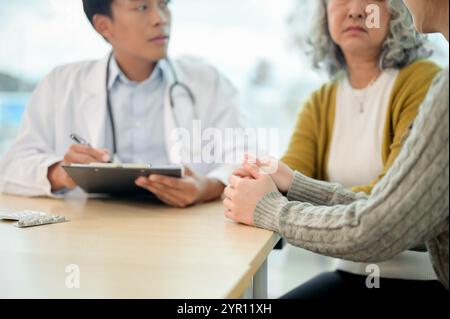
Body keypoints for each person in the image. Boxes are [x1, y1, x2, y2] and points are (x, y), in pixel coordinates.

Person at [223, 0, 449, 297]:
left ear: (395, 11)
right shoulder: (322, 99)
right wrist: (283, 183)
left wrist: (270, 206)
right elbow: (381, 208)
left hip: (417, 280)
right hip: (350, 270)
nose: (356, 10)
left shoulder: (428, 83)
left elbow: (385, 217)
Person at [0, 0, 243, 208]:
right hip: (93, 233)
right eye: (142, 7)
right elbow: (11, 167)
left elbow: (246, 160)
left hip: (187, 230)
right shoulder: (61, 83)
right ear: (104, 25)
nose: (160, 18)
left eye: (164, 4)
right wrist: (62, 172)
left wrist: (205, 188)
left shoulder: (208, 82)